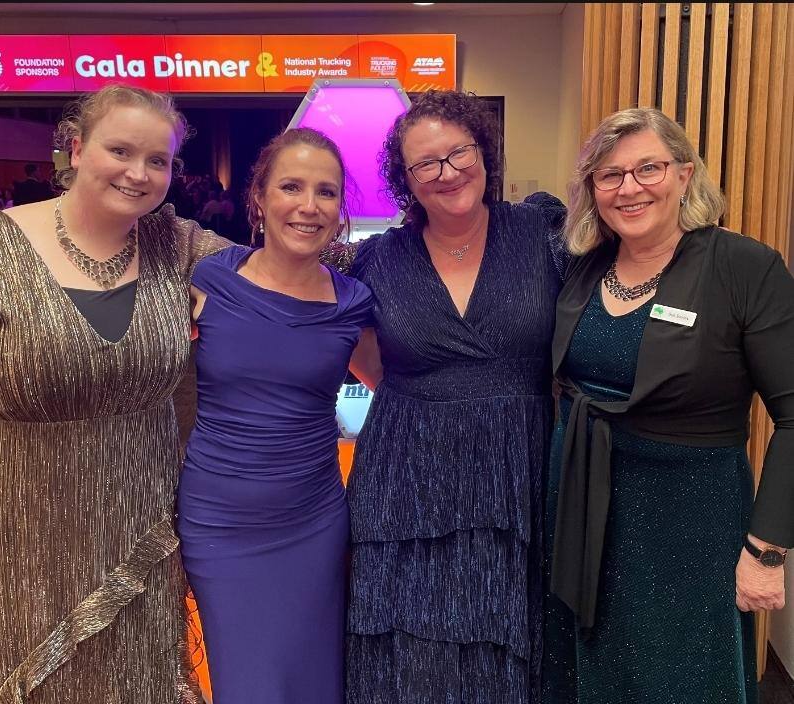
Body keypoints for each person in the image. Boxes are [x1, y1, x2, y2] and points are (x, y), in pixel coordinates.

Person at [0, 84, 229, 701]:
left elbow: (275, 279)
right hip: (8, 543)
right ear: (76, 149)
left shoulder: (177, 246)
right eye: (120, 150)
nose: (138, 173)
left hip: (140, 542)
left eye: (157, 160)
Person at [321, 89, 566, 702]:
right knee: (415, 645)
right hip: (409, 475)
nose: (447, 172)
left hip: (520, 469)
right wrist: (429, 398)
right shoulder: (377, 258)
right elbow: (358, 346)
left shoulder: (544, 235)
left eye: (459, 153)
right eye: (425, 164)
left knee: (509, 630)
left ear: (485, 153)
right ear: (406, 181)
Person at [543, 107, 794, 704]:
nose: (629, 188)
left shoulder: (743, 267)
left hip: (691, 522)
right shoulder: (586, 267)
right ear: (592, 190)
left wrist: (766, 550)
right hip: (581, 507)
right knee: (589, 673)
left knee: (680, 678)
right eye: (609, 175)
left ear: (685, 175)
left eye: (647, 168)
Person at [176, 128, 373, 704]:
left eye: (326, 192)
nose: (308, 206)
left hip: (312, 520)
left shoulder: (351, 302)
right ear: (259, 198)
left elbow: (395, 385)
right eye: (291, 186)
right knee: (248, 684)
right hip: (220, 524)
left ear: (340, 211)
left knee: (313, 678)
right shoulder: (208, 280)